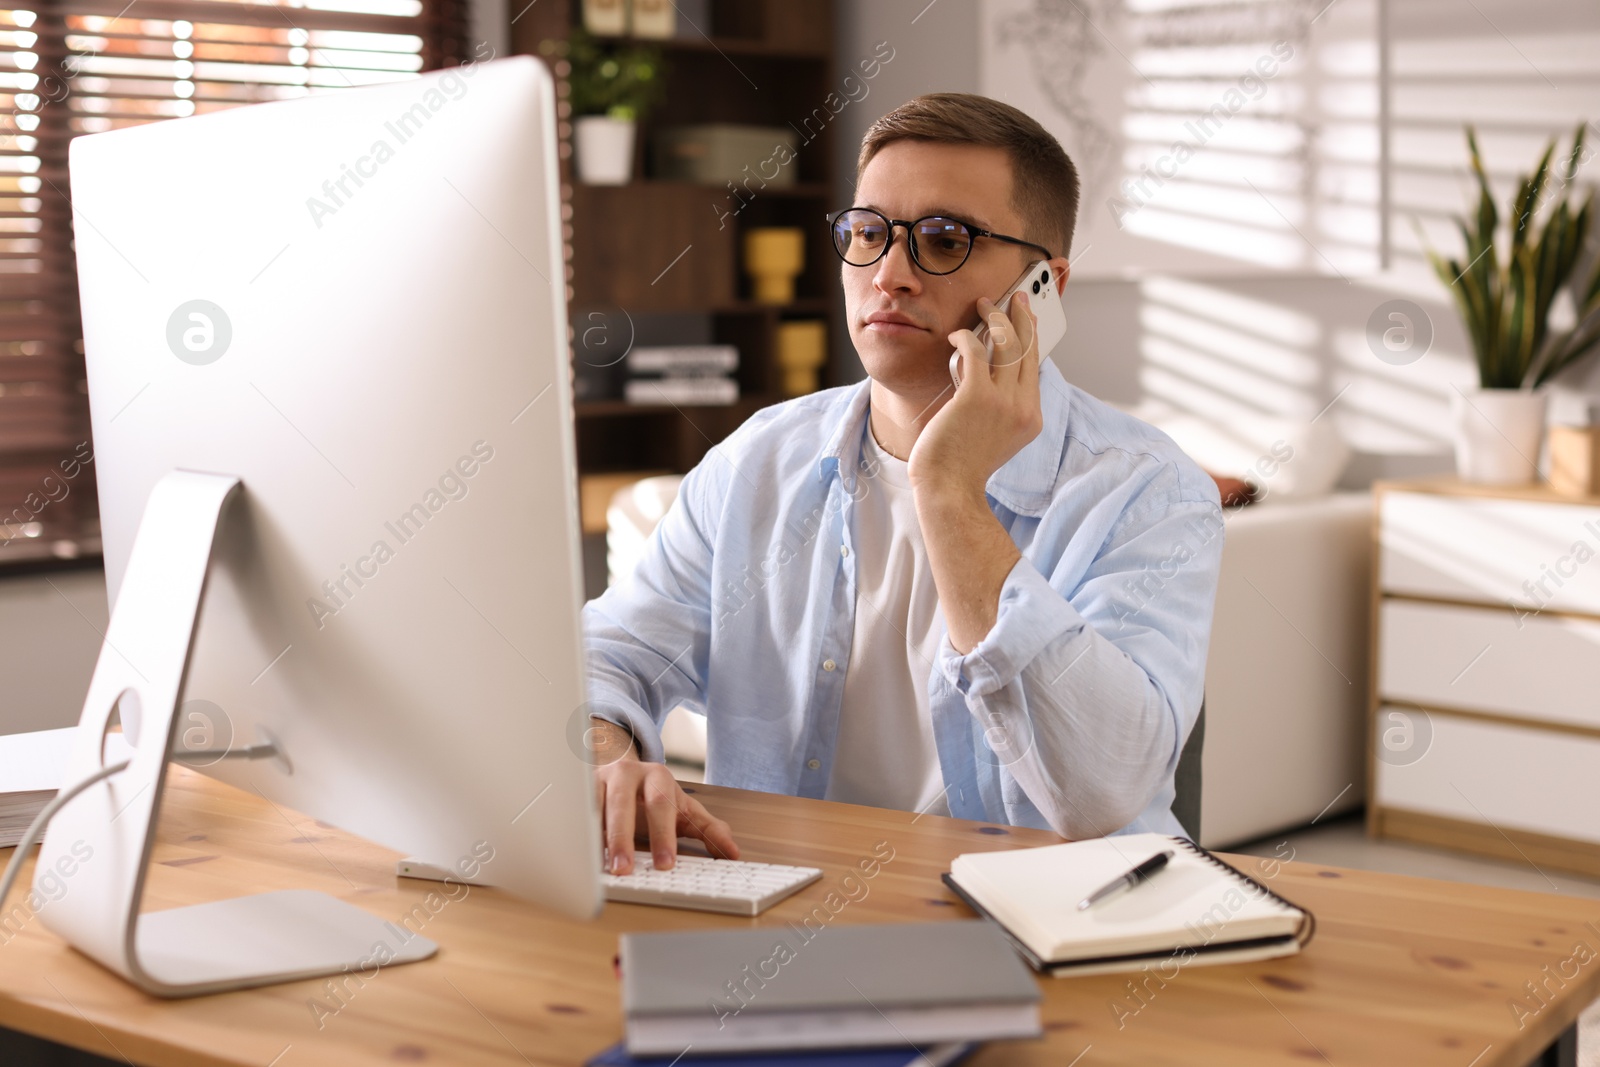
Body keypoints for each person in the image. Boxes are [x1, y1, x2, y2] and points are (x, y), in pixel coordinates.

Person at [583, 93, 1223, 875]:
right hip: (784, 924)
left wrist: (949, 492)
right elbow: (602, 657)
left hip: (1052, 935)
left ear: (1043, 286)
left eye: (945, 240)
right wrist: (604, 755)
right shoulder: (754, 464)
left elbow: (1101, 797)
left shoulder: (1148, 490)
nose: (889, 274)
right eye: (868, 233)